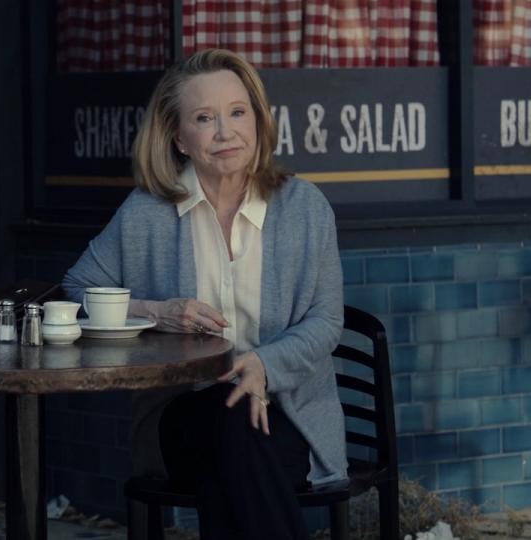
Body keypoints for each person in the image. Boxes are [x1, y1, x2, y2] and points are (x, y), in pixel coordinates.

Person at [62, 48, 346, 540]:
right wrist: (158, 312)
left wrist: (262, 365)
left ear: (257, 120)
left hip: (286, 418)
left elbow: (326, 320)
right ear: (178, 137)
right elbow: (77, 289)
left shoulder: (305, 208)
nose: (225, 132)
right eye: (204, 118)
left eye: (238, 113)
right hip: (182, 419)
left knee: (231, 460)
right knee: (227, 424)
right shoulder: (147, 212)